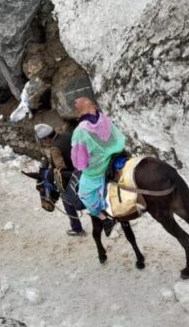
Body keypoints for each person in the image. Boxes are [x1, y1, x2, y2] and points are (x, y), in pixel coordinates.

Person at [70, 98, 127, 237]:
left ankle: (105, 218)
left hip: (98, 168)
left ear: (78, 112)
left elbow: (79, 161)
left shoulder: (80, 131)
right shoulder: (105, 120)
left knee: (84, 193)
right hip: (118, 157)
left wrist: (83, 165)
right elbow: (120, 138)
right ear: (93, 106)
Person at [35, 123, 85, 237]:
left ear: (47, 138)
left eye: (43, 141)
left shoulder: (55, 149)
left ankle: (77, 229)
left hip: (77, 175)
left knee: (65, 198)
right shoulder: (67, 135)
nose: (44, 143)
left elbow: (61, 169)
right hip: (84, 166)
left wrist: (55, 175)